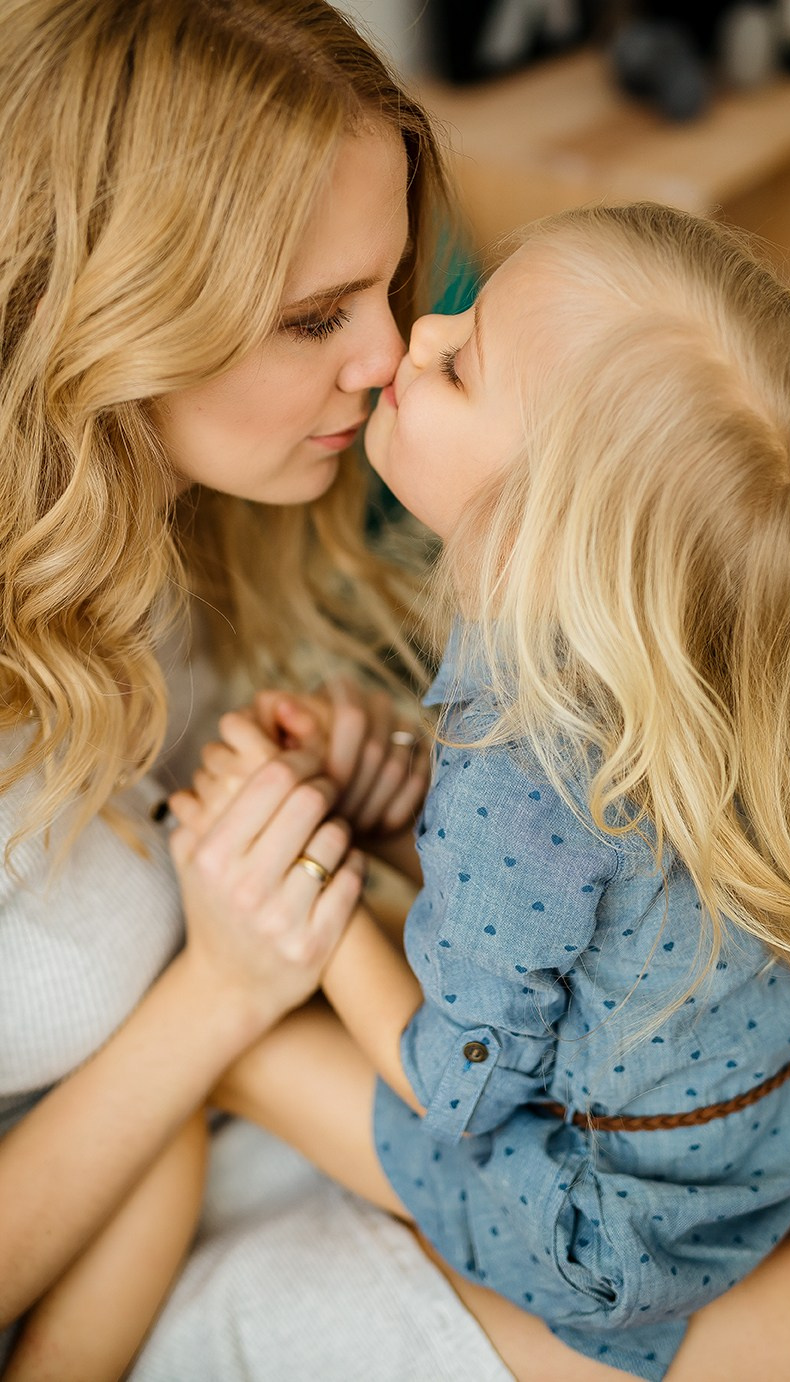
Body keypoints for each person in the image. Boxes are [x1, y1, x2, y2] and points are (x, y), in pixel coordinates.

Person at [177, 202, 790, 1381]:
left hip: (606, 1225)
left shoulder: (514, 756)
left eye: (460, 360)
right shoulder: (686, 673)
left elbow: (457, 1085)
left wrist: (307, 893)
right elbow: (593, 907)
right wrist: (396, 817)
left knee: (248, 1047)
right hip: (770, 1139)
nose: (415, 334)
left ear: (540, 528)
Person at [0, 3, 517, 1379]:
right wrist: (222, 989)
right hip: (100, 1249)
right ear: (114, 307)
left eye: (390, 284)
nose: (387, 354)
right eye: (312, 317)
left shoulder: (166, 515)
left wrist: (348, 796)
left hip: (239, 1131)